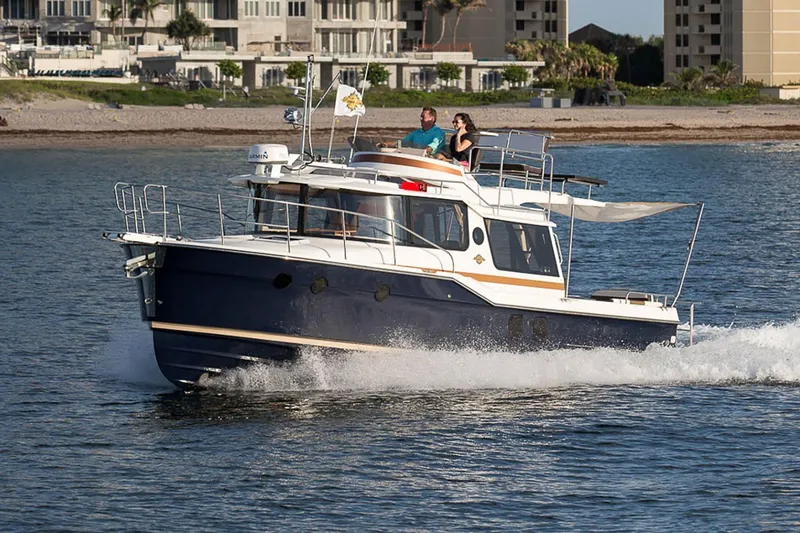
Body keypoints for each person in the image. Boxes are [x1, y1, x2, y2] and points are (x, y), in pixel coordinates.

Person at [378, 106, 445, 156]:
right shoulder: (416, 132)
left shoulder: (439, 133)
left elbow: (431, 148)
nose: (420, 119)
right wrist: (386, 144)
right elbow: (402, 142)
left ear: (432, 119)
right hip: (415, 158)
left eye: (423, 117)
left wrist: (422, 152)